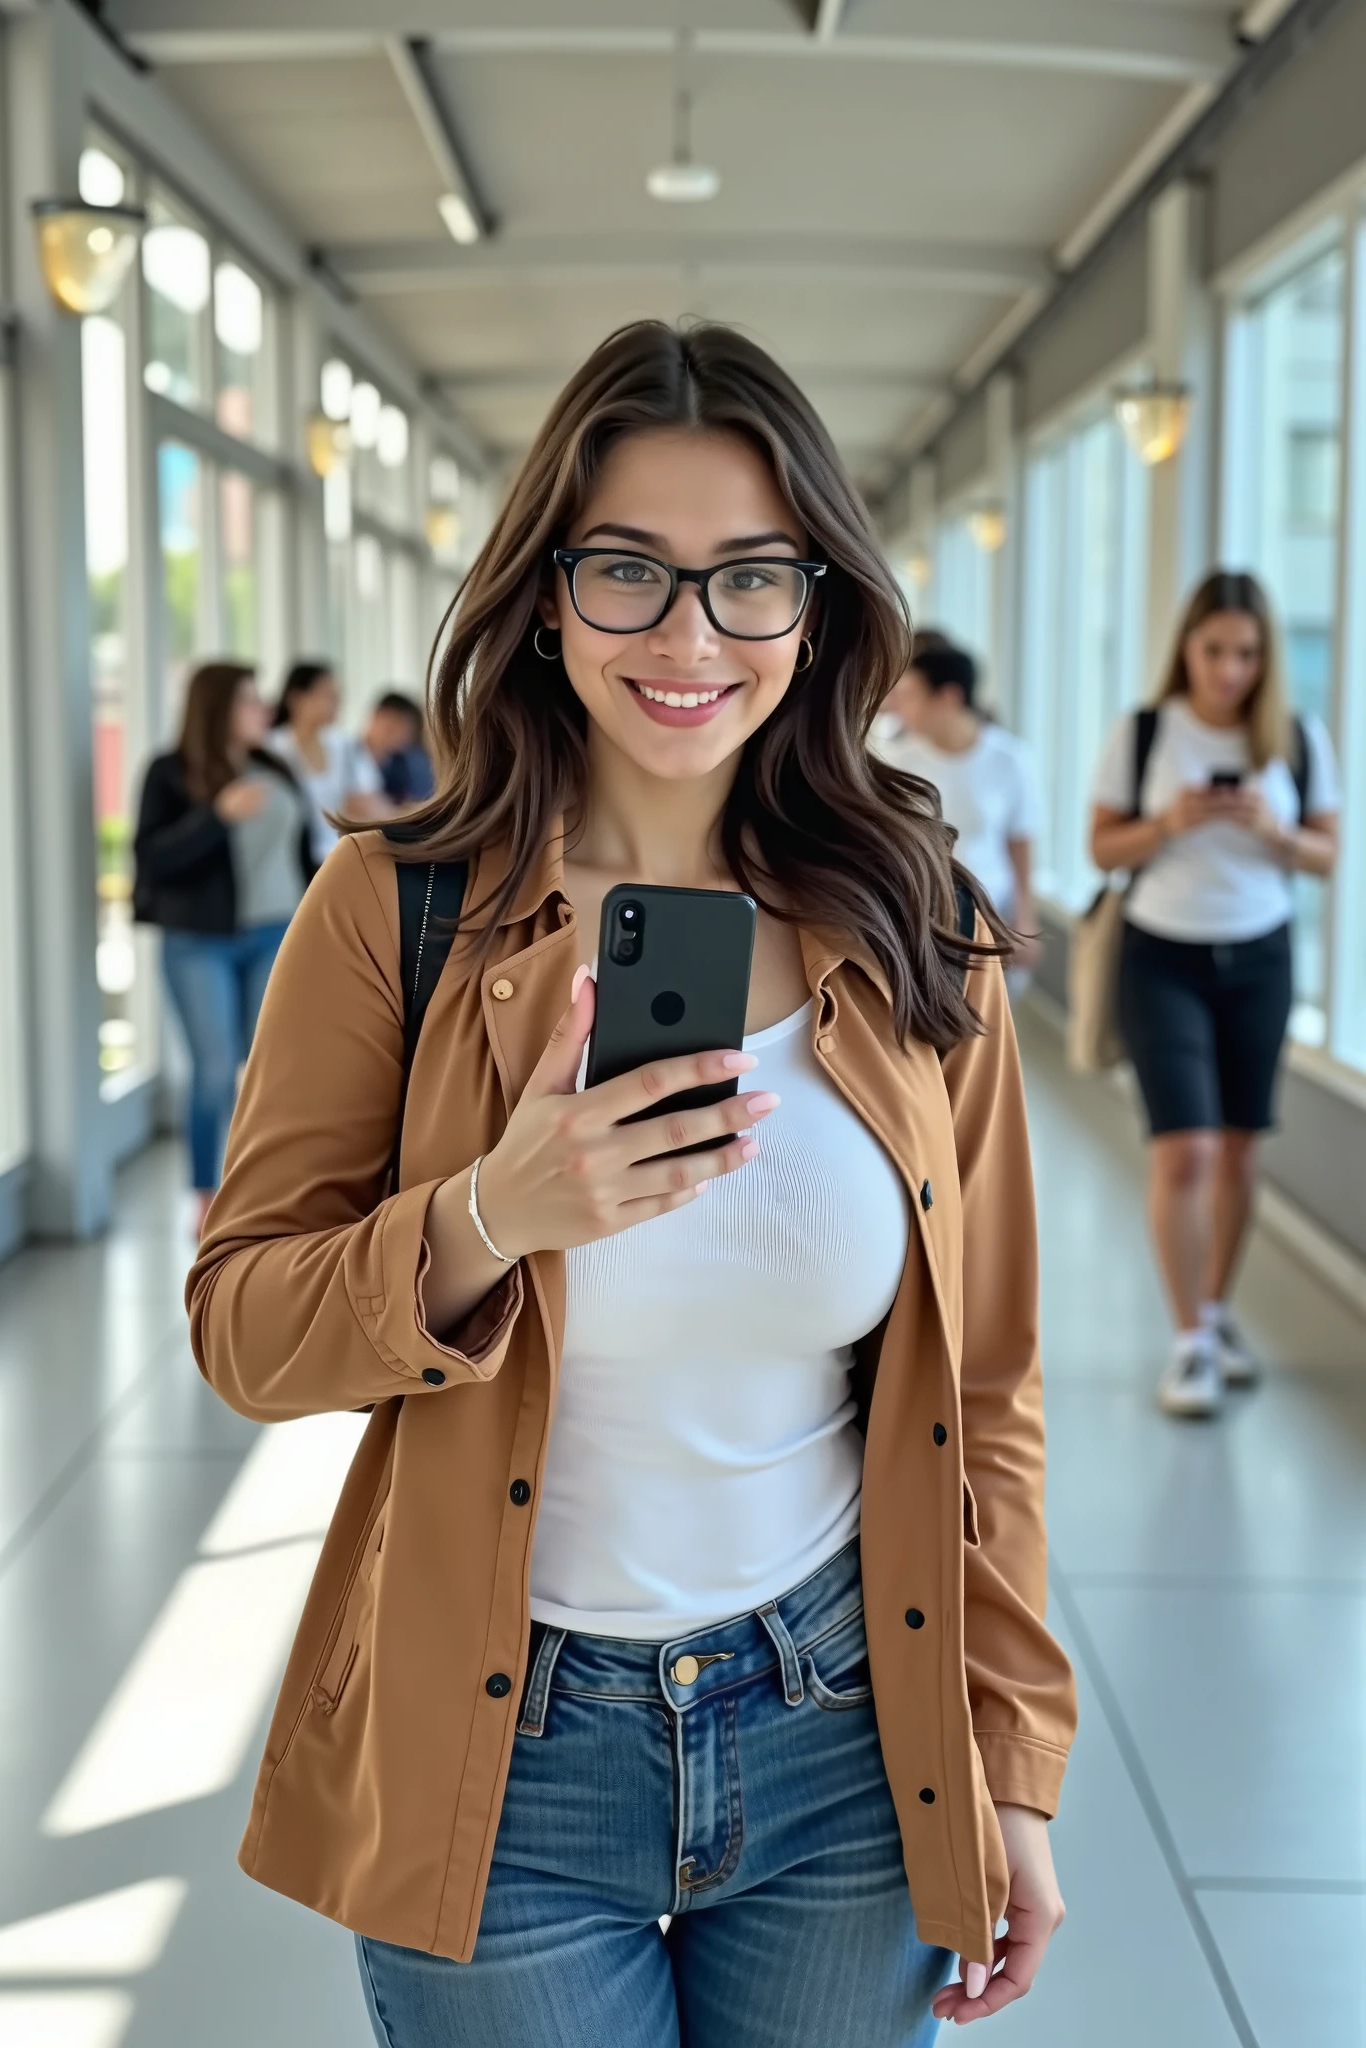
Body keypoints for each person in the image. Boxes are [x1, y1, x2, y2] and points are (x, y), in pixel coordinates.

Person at [188, 321, 1075, 2046]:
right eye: (627, 573)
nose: (688, 637)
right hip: (496, 1744)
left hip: (844, 1725)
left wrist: (1012, 1763)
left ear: (815, 608)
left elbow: (991, 1392)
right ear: (542, 596)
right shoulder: (393, 911)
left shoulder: (916, 929)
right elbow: (242, 1330)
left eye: (750, 578)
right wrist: (487, 1215)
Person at [1090, 570, 1340, 1419]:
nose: (1229, 670)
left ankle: (1218, 1312)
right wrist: (1172, 822)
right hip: (1162, 956)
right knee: (1185, 1148)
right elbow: (1100, 848)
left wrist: (1275, 832)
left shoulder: (1297, 740)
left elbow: (1329, 856)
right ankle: (1189, 1341)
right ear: (1186, 649)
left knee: (1240, 1150)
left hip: (1262, 958)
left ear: (1266, 658)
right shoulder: (1147, 732)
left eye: (1246, 653)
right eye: (1213, 650)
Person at [134, 662, 315, 1232]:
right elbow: (154, 860)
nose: (262, 710)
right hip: (200, 941)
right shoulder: (168, 773)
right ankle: (206, 1194)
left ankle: (264, 1185)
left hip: (276, 933)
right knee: (214, 1069)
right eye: (247, 701)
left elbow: (302, 852)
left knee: (268, 1066)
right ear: (216, 711)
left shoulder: (273, 766)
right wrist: (217, 816)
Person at [875, 643, 1041, 971]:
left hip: (993, 912)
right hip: (923, 914)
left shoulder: (1010, 759)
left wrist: (1025, 917)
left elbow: (1020, 842)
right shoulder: (896, 761)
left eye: (911, 696)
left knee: (991, 1012)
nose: (899, 708)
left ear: (949, 697)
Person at [267, 660, 391, 860]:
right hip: (294, 859)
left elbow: (371, 799)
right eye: (327, 695)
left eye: (338, 695)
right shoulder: (272, 748)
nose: (337, 701)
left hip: (340, 856)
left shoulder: (346, 746)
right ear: (297, 699)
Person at [363, 688, 436, 806]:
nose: (401, 735)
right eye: (392, 726)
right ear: (378, 715)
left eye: (407, 731)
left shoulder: (399, 765)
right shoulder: (346, 757)